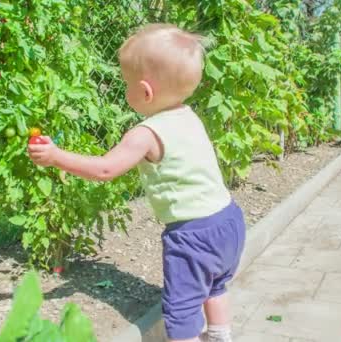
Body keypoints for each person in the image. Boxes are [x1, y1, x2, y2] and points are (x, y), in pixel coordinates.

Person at [27, 23, 245, 342]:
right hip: (229, 221)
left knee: (181, 308)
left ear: (145, 91)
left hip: (193, 234)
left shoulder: (146, 133)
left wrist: (55, 156)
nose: (124, 88)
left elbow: (104, 170)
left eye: (125, 83)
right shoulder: (188, 115)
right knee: (214, 285)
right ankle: (220, 335)